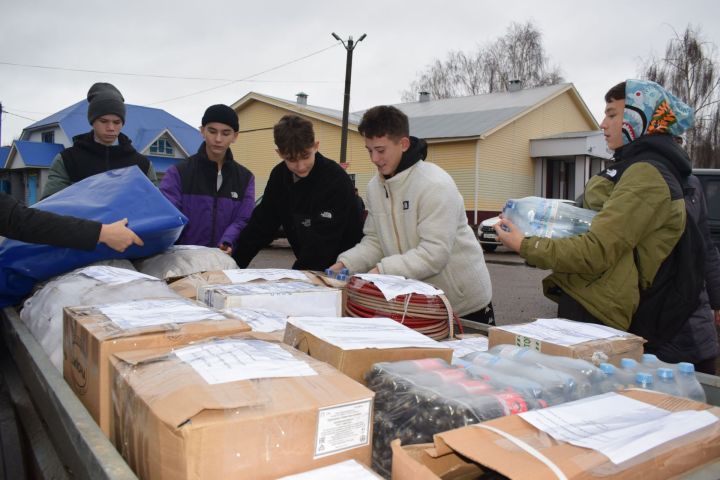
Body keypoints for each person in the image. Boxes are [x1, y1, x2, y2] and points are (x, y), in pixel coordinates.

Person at [494, 79, 693, 334]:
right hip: (593, 297)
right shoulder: (633, 166)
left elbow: (597, 250)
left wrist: (524, 245)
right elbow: (588, 226)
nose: (602, 124)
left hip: (600, 308)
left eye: (612, 114)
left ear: (637, 118)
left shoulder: (647, 174)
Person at [330, 106, 494, 323]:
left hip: (462, 305)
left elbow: (434, 253)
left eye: (380, 150)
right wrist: (346, 264)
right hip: (416, 302)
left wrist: (382, 270)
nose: (374, 159)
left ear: (403, 144)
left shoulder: (435, 184)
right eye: (369, 150)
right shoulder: (375, 188)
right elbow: (375, 240)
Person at [232, 114, 363, 270]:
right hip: (309, 266)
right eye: (291, 159)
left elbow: (323, 240)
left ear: (316, 146)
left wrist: (296, 279)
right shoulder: (279, 177)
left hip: (346, 267)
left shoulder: (335, 179)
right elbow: (261, 225)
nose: (300, 166)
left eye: (305, 156)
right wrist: (233, 266)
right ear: (279, 154)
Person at [160, 104, 254, 254]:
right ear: (202, 131)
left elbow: (243, 219)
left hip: (223, 262)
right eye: (212, 131)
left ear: (235, 136)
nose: (218, 139)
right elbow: (169, 215)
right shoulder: (177, 173)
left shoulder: (245, 178)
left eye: (225, 133)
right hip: (183, 261)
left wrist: (227, 240)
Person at [41, 82, 157, 199]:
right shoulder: (68, 160)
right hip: (78, 218)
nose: (111, 128)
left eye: (117, 122)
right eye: (104, 121)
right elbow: (49, 206)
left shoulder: (142, 164)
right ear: (92, 121)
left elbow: (155, 206)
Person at [1, 193, 143, 252]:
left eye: (118, 126)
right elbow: (17, 220)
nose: (111, 128)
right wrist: (101, 233)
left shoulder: (140, 161)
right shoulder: (68, 158)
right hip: (75, 239)